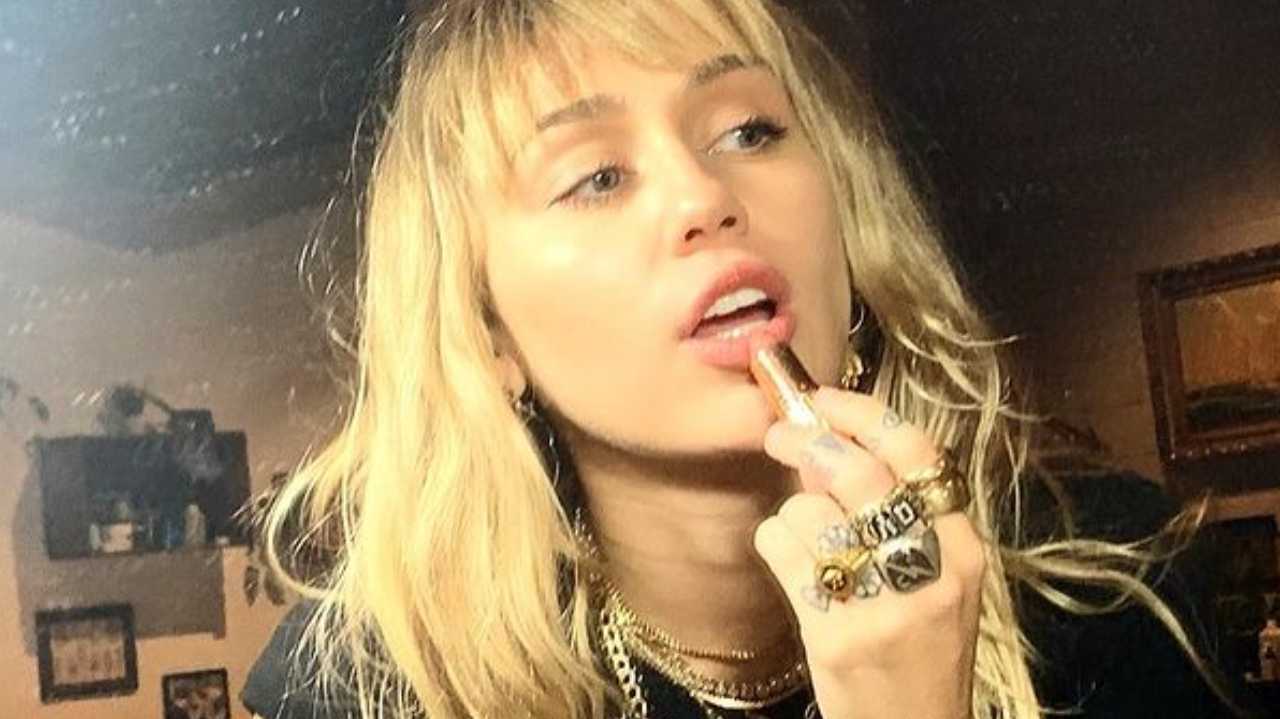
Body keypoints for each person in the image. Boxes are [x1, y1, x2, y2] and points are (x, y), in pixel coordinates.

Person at [241, 1, 1248, 717]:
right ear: (486, 333)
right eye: (596, 177)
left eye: (748, 129)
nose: (703, 197)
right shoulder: (367, 688)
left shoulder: (1116, 594)